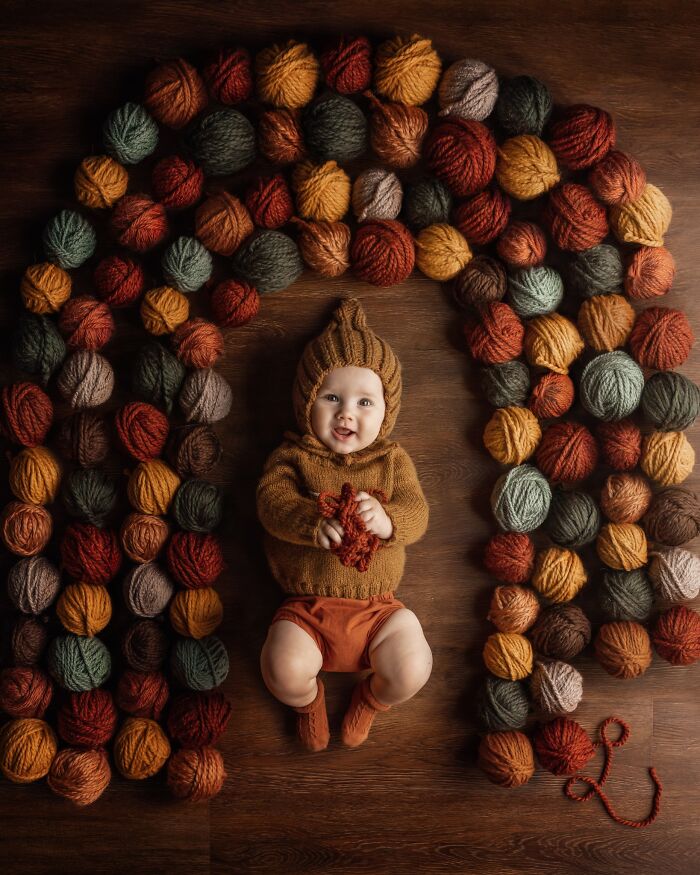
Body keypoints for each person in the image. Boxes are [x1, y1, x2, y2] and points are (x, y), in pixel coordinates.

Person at [256, 297, 432, 751]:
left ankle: (372, 698)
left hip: (379, 612)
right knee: (281, 670)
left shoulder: (391, 461)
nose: (346, 413)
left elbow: (418, 512)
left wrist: (390, 521)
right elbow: (271, 504)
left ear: (386, 412)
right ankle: (306, 701)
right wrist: (310, 520)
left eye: (364, 401)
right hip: (306, 610)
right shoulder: (293, 456)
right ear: (306, 402)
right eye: (331, 397)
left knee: (413, 669)